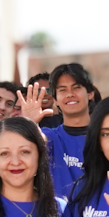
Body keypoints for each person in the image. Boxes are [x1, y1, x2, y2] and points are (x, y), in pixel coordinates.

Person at [42, 62, 96, 199]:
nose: (70, 94)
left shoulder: (105, 136)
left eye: (76, 88)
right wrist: (29, 121)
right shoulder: (49, 136)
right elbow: (28, 141)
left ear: (90, 94)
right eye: (62, 90)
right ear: (56, 100)